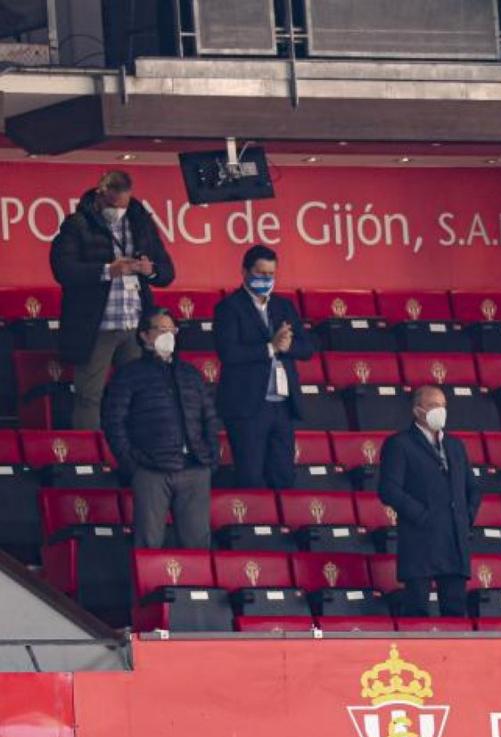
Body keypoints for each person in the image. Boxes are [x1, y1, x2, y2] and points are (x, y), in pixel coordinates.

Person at [50, 170, 176, 429]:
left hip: (135, 325)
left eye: (123, 205)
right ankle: (91, 458)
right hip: (97, 326)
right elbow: (63, 269)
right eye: (112, 205)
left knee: (138, 394)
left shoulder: (141, 223)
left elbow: (167, 272)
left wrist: (148, 269)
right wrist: (108, 270)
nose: (117, 211)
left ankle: (135, 454)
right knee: (89, 396)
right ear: (100, 195)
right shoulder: (77, 224)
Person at [101, 309, 218, 549]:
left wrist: (210, 459)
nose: (169, 336)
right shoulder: (128, 374)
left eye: (172, 330)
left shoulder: (190, 374)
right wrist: (133, 464)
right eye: (161, 330)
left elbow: (210, 419)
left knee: (198, 544)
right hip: (151, 470)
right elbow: (114, 422)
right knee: (148, 543)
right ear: (144, 336)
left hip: (194, 468)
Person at [214, 245, 314, 489]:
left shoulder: (284, 306)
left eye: (271, 274)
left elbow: (308, 348)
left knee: (284, 476)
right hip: (248, 408)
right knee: (251, 477)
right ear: (245, 272)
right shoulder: (229, 308)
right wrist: (270, 348)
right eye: (260, 273)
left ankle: (280, 526)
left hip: (282, 406)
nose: (266, 279)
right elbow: (229, 353)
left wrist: (287, 346)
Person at [379, 386, 482, 617]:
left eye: (443, 406)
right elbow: (389, 490)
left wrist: (466, 517)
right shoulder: (400, 444)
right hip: (420, 539)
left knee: (455, 611)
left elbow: (473, 488)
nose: (441, 411)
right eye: (435, 406)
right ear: (418, 410)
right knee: (417, 610)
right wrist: (422, 515)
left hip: (454, 540)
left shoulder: (455, 445)